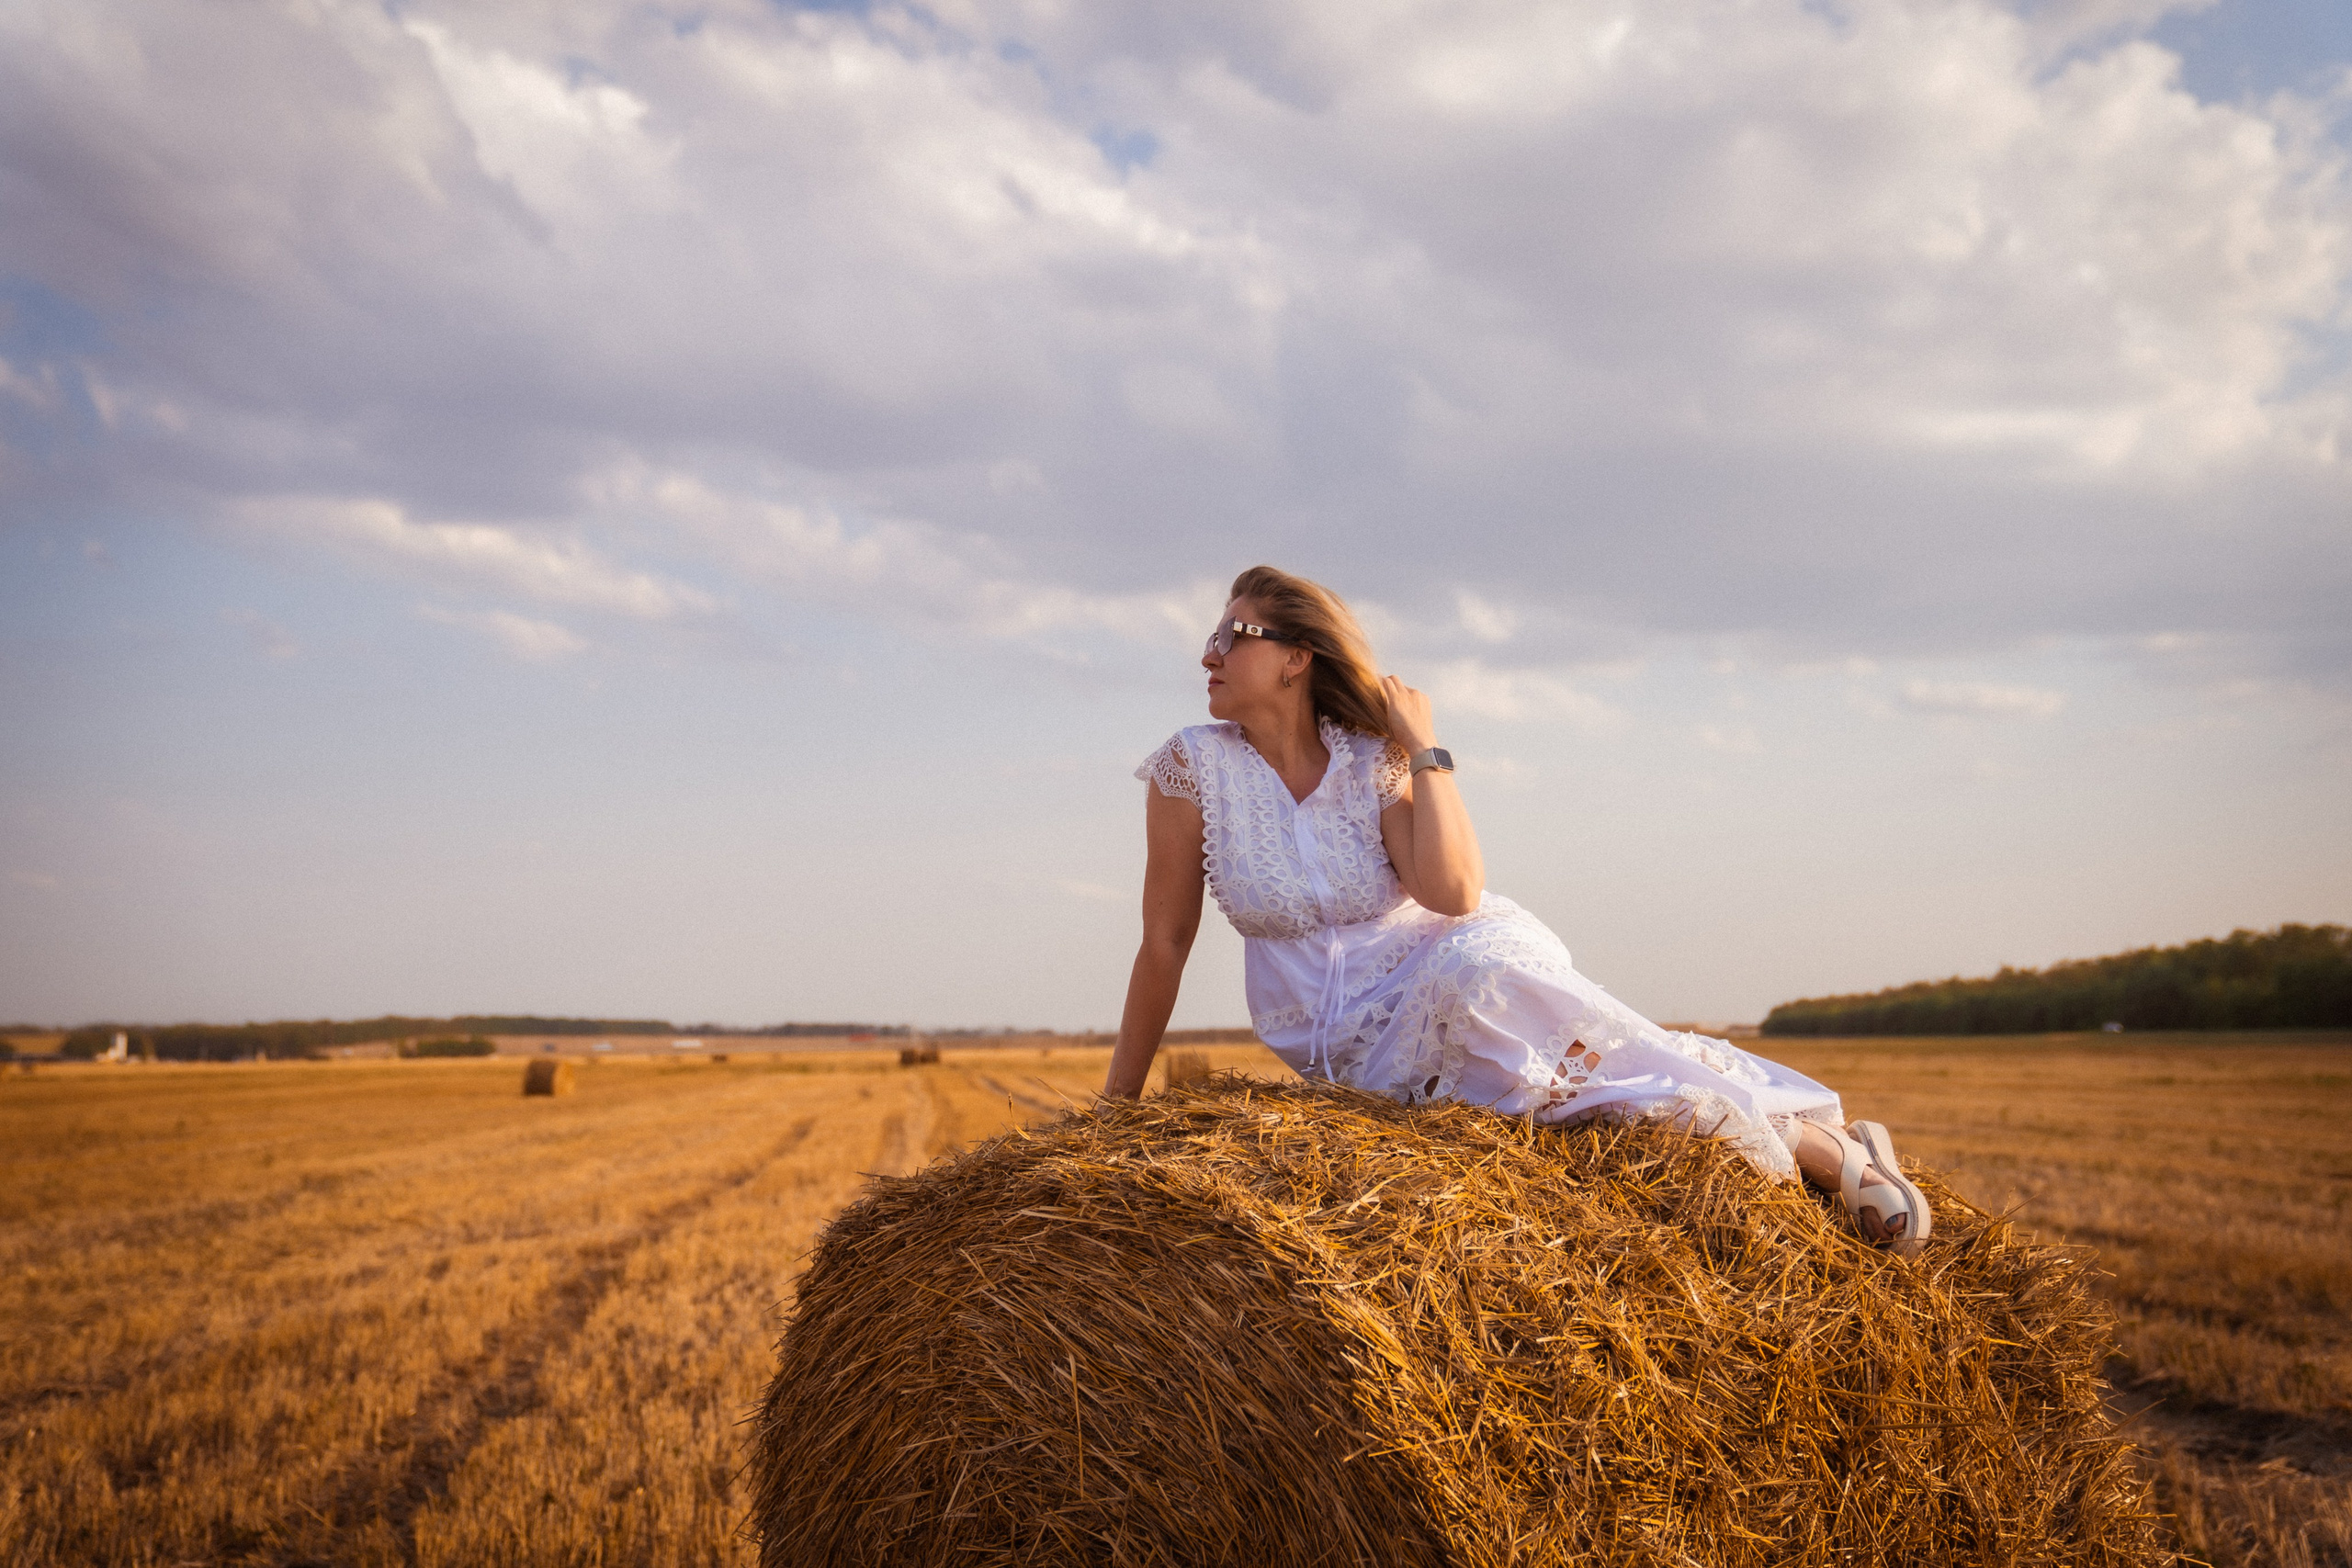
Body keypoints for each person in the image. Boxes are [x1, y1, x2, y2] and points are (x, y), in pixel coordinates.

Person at [1102, 565, 1931, 1255]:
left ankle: (1812, 1144)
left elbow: (1454, 895)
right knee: (1570, 1101)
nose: (1208, 652)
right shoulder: (1191, 769)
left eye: (1230, 635)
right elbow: (1164, 944)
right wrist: (1114, 1113)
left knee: (1540, 1033)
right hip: (1350, 1047)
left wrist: (1424, 750)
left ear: (1295, 658)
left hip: (1447, 963)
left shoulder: (1369, 763)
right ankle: (1805, 1139)